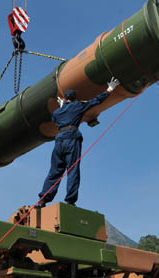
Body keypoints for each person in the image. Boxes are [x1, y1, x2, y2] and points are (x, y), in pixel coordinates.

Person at [35, 77, 120, 207]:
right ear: (74, 99)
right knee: (72, 169)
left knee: (55, 171)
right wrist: (110, 89)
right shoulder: (77, 106)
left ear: (64, 99)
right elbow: (97, 101)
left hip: (59, 141)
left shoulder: (57, 113)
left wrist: (63, 106)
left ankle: (43, 199)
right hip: (71, 138)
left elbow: (59, 117)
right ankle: (70, 200)